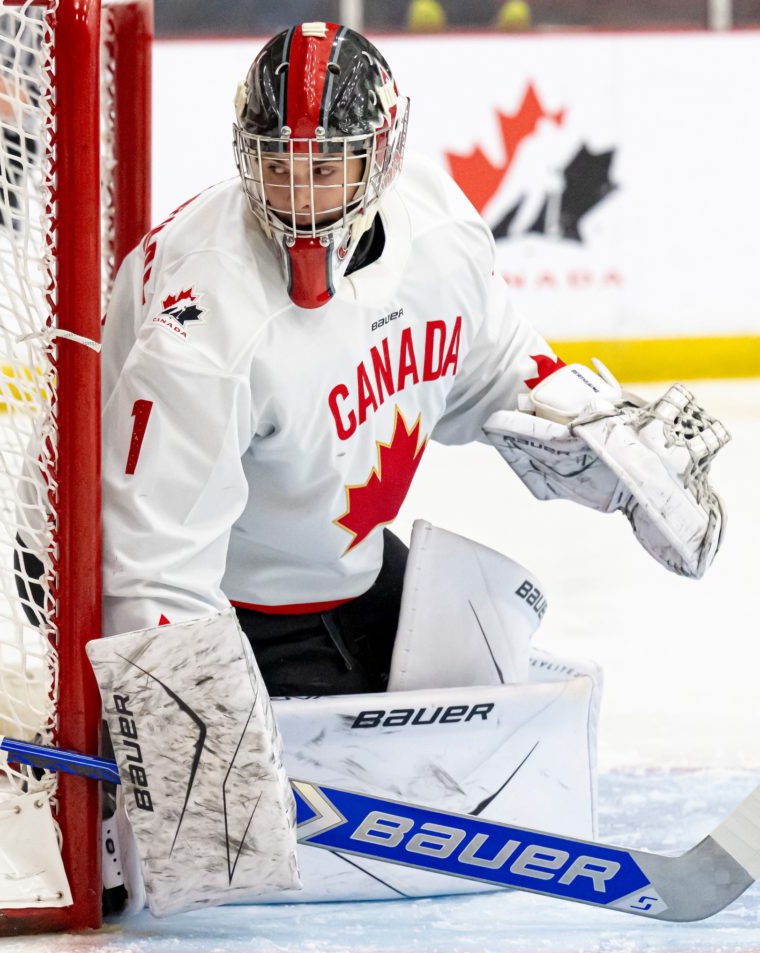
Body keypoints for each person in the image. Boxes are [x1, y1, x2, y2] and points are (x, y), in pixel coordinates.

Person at [100, 21, 727, 701]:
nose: (299, 200)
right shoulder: (208, 318)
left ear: (382, 157)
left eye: (323, 168)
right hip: (228, 605)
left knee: (489, 685)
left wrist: (593, 439)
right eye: (277, 167)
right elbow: (151, 566)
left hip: (346, 569)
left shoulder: (436, 227)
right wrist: (184, 728)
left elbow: (494, 365)